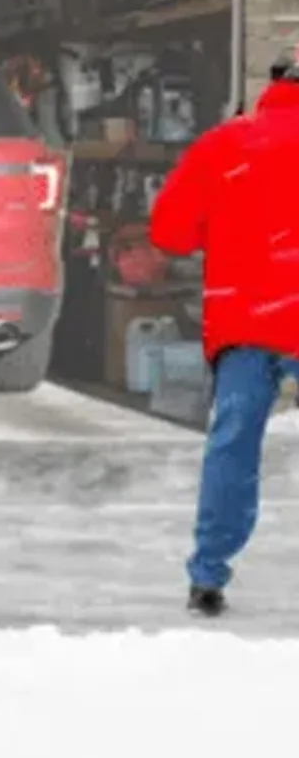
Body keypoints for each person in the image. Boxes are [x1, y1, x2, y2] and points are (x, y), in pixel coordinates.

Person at [148, 55, 299, 616]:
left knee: (233, 445)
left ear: (273, 87)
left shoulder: (224, 145)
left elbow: (169, 231)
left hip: (248, 319)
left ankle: (208, 575)